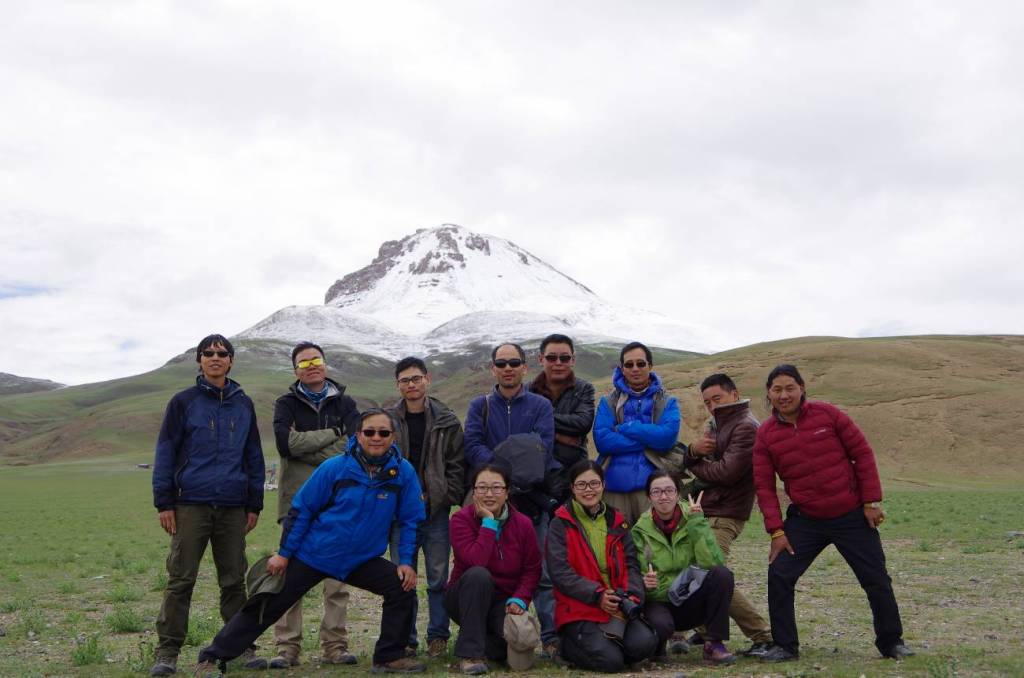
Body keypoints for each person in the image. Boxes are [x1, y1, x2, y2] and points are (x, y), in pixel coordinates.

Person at [192, 409, 427, 677]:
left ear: (393, 437)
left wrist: (406, 562)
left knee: (402, 588)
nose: (376, 437)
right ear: (358, 435)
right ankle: (212, 657)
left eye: (383, 432)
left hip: (360, 560)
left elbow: (411, 520)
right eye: (369, 431)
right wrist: (284, 554)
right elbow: (301, 511)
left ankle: (389, 657)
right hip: (315, 554)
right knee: (266, 603)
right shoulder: (335, 468)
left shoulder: (402, 473)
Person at [753, 364, 914, 663]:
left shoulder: (828, 414)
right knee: (780, 573)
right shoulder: (765, 434)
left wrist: (871, 501)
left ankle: (892, 642)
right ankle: (785, 646)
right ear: (769, 394)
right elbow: (764, 486)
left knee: (876, 578)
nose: (784, 395)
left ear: (802, 388)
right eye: (777, 390)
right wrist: (776, 530)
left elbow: (862, 453)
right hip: (806, 519)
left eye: (790, 388)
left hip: (850, 514)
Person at [150, 334, 266, 676]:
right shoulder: (183, 402)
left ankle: (240, 648)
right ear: (199, 360)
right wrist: (164, 502)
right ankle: (167, 652)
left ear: (231, 361)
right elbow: (165, 452)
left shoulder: (244, 404)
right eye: (208, 353)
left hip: (233, 505)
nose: (215, 357)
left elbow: (254, 456)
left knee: (234, 581)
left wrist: (254, 504)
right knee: (181, 579)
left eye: (222, 353)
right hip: (190, 504)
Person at [267, 341, 360, 668]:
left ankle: (335, 646)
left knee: (337, 581)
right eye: (304, 363)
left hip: (337, 503)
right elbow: (286, 445)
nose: (311, 367)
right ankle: (287, 648)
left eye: (315, 360)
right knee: (289, 577)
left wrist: (306, 447)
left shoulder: (346, 403)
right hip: (296, 503)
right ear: (295, 370)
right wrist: (334, 433)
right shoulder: (285, 403)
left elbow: (353, 448)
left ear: (325, 363)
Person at [464, 342, 558, 656]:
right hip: (489, 499)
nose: (508, 369)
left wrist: (500, 463)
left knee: (541, 571)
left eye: (514, 363)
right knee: (482, 567)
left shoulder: (541, 405)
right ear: (493, 368)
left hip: (531, 499)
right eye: (502, 363)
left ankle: (550, 638)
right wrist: (504, 471)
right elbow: (472, 445)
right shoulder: (479, 406)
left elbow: (541, 449)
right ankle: (490, 636)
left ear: (525, 367)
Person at [681, 373, 773, 656]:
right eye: (708, 402)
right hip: (712, 509)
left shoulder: (745, 427)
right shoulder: (721, 424)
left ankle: (762, 634)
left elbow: (726, 473)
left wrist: (691, 460)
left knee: (713, 574)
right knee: (697, 569)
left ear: (735, 394)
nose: (712, 406)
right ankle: (706, 629)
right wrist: (694, 452)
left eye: (717, 399)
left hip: (726, 512)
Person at [546, 460, 659, 672]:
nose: (588, 490)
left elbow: (631, 564)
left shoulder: (617, 520)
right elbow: (560, 573)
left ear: (603, 485)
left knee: (645, 644)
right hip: (580, 605)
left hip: (616, 603)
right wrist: (597, 595)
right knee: (611, 662)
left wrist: (631, 596)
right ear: (572, 488)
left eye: (594, 483)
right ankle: (568, 646)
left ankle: (608, 644)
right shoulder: (560, 523)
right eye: (581, 485)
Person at [387, 356, 466, 658]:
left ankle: (438, 636)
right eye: (405, 380)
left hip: (436, 511)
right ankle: (406, 639)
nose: (411, 384)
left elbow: (457, 462)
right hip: (400, 515)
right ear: (398, 385)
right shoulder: (388, 421)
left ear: (427, 379)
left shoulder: (447, 419)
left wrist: (446, 496)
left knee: (437, 578)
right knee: (402, 578)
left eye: (416, 378)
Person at [526, 333, 595, 655]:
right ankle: (551, 636)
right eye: (552, 357)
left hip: (574, 486)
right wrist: (559, 434)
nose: (558, 363)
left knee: (577, 562)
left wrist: (543, 421)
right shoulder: (528, 391)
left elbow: (583, 423)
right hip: (536, 486)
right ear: (541, 359)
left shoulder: (584, 389)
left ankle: (579, 631)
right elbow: (524, 433)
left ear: (573, 360)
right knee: (542, 567)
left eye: (564, 357)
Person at [631, 470, 736, 665]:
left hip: (689, 598)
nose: (663, 496)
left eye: (669, 490)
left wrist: (697, 524)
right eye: (656, 492)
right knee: (661, 625)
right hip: (659, 600)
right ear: (649, 497)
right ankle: (658, 644)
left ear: (678, 493)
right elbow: (638, 576)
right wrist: (645, 583)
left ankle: (714, 643)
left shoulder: (693, 517)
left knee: (722, 575)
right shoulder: (639, 530)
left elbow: (712, 564)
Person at [446, 463, 543, 675]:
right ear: (473, 492)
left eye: (496, 487)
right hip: (465, 596)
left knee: (502, 649)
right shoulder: (460, 520)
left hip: (503, 602)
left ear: (507, 492)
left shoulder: (523, 524)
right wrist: (489, 523)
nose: (489, 494)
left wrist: (520, 598)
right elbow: (476, 562)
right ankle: (470, 655)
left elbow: (532, 569)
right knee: (479, 575)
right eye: (482, 487)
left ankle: (481, 643)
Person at [593, 341, 681, 524]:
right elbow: (603, 440)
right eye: (629, 364)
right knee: (616, 539)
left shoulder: (667, 401)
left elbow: (667, 438)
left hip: (654, 488)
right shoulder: (607, 402)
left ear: (650, 366)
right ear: (622, 368)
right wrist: (649, 439)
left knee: (653, 539)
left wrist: (626, 427)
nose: (635, 369)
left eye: (640, 363)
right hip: (613, 489)